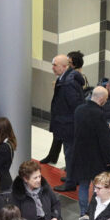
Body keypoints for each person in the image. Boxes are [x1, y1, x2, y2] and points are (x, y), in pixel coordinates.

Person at [44, 53, 87, 189]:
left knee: (69, 153)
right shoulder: (67, 78)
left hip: (68, 125)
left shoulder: (68, 83)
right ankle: (74, 178)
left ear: (64, 66)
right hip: (67, 123)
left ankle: (70, 182)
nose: (52, 68)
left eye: (55, 65)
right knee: (71, 152)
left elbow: (76, 106)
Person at [69, 86, 110, 205]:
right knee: (98, 188)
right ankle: (94, 210)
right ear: (101, 99)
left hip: (80, 156)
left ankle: (83, 213)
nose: (106, 101)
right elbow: (103, 140)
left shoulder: (79, 110)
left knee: (83, 186)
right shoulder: (99, 114)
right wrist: (107, 160)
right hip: (96, 159)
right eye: (105, 99)